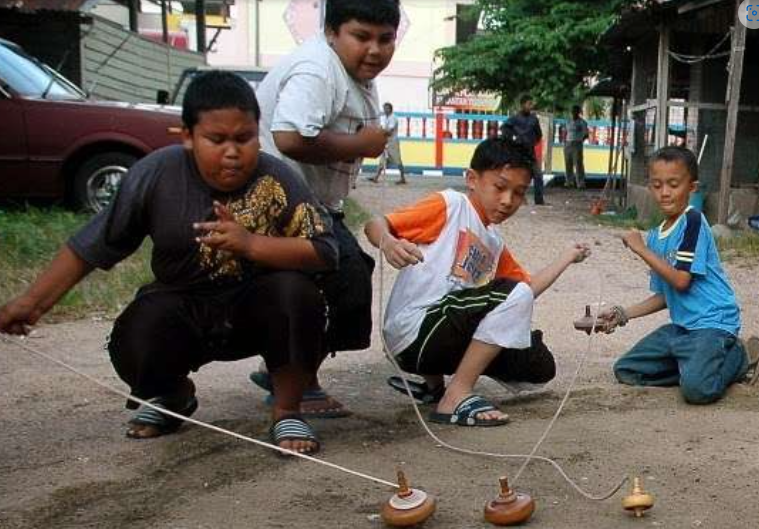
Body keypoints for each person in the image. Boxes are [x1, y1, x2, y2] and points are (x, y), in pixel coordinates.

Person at [0, 71, 338, 455]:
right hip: (183, 305)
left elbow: (324, 251)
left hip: (256, 308)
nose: (232, 151)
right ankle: (173, 395)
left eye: (244, 138)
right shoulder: (156, 174)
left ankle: (287, 409)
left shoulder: (277, 178)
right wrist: (32, 304)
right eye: (217, 139)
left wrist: (252, 244)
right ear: (188, 137)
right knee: (137, 331)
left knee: (298, 294)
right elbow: (91, 246)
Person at [364, 133, 590, 426]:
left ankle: (435, 389)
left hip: (442, 337)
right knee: (502, 296)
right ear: (472, 179)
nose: (508, 201)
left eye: (519, 193)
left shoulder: (493, 242)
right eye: (500, 187)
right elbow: (376, 224)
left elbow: (526, 290)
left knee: (539, 366)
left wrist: (567, 257)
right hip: (413, 334)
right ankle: (455, 396)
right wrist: (389, 243)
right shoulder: (451, 205)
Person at [252, 0, 401, 418]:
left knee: (350, 279)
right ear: (332, 32)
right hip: (278, 203)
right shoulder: (318, 69)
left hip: (317, 204)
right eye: (362, 36)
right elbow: (288, 137)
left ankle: (286, 371)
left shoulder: (357, 76)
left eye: (385, 39)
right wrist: (362, 145)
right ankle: (296, 381)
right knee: (345, 279)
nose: (374, 49)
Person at [598, 146, 756, 404]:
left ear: (692, 188)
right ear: (650, 187)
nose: (665, 192)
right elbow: (665, 294)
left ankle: (739, 357)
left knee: (698, 391)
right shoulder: (658, 234)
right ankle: (693, 366)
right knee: (626, 369)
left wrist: (640, 249)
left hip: (713, 325)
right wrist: (621, 314)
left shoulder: (692, 221)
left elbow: (681, 281)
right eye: (657, 185)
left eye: (673, 184)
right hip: (682, 330)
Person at [503, 94, 545, 205]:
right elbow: (504, 128)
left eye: (532, 104)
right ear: (522, 105)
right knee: (518, 176)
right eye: (529, 104)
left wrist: (531, 142)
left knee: (538, 175)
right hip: (518, 152)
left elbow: (539, 135)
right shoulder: (515, 118)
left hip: (530, 152)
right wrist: (512, 139)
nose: (531, 106)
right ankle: (520, 199)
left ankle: (539, 200)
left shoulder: (534, 119)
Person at [370, 102, 407, 184]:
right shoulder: (386, 118)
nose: (384, 110)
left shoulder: (393, 118)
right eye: (384, 108)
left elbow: (390, 131)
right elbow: (383, 129)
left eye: (386, 108)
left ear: (390, 109)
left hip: (393, 142)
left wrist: (380, 132)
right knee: (382, 160)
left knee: (397, 159)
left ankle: (403, 178)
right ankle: (376, 177)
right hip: (386, 141)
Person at [563, 105, 589, 189]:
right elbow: (565, 132)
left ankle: (580, 183)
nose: (573, 113)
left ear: (578, 112)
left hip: (577, 144)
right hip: (568, 143)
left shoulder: (582, 122)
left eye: (575, 111)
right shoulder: (568, 121)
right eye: (572, 111)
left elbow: (586, 134)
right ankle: (569, 182)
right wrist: (565, 142)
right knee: (568, 163)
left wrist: (580, 140)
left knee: (578, 164)